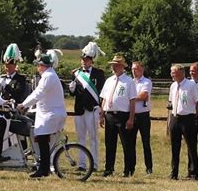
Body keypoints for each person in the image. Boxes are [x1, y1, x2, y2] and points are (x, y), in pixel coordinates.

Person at [18, 53, 67, 178]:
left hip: (51, 114)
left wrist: (23, 105)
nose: (37, 68)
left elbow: (37, 94)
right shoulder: (50, 75)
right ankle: (44, 168)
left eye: (38, 66)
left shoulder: (48, 76)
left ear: (42, 65)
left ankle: (43, 169)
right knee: (42, 140)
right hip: (49, 113)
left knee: (42, 140)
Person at [69, 42, 105, 172]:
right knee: (80, 138)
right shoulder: (76, 73)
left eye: (87, 60)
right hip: (79, 109)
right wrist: (71, 90)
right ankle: (82, 164)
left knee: (93, 138)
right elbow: (73, 93)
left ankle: (94, 164)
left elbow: (101, 92)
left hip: (92, 109)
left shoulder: (99, 74)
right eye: (83, 59)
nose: (84, 62)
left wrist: (101, 109)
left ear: (92, 61)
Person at [99, 55, 137, 177]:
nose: (114, 67)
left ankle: (128, 169)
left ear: (122, 67)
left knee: (127, 144)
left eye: (116, 65)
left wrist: (131, 118)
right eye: (113, 65)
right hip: (110, 115)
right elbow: (104, 99)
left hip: (123, 115)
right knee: (110, 144)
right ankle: (109, 168)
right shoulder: (109, 81)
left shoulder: (129, 81)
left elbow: (132, 101)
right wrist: (102, 114)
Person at [168, 64, 198, 180]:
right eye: (171, 72)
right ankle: (174, 172)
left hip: (188, 118)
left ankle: (193, 173)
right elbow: (171, 102)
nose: (172, 75)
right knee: (174, 146)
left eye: (174, 72)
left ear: (182, 73)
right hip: (175, 117)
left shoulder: (191, 85)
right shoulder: (173, 86)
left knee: (191, 146)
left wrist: (193, 115)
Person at [131, 61, 153, 174]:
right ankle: (131, 167)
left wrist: (131, 99)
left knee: (145, 142)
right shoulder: (130, 82)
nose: (134, 71)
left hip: (143, 115)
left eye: (137, 69)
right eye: (133, 69)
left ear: (142, 70)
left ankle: (149, 167)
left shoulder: (146, 82)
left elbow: (144, 96)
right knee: (131, 142)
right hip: (131, 115)